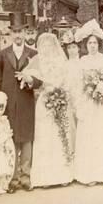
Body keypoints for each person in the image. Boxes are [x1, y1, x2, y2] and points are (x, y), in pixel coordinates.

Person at [0, 12, 40, 193]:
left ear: (25, 32)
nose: (18, 35)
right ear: (10, 34)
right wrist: (1, 100)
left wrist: (30, 81)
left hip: (27, 102)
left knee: (27, 139)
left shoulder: (33, 54)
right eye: (15, 32)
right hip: (10, 103)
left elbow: (40, 79)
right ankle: (12, 179)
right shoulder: (2, 55)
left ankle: (25, 177)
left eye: (21, 31)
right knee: (10, 140)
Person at [23, 33, 74, 188]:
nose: (46, 48)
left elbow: (67, 79)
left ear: (54, 46)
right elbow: (27, 74)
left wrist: (60, 91)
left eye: (49, 45)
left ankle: (63, 175)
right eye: (43, 45)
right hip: (45, 100)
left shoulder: (60, 61)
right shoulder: (37, 60)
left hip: (59, 97)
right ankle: (45, 177)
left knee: (60, 135)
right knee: (45, 135)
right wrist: (34, 81)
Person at [73, 19, 103, 186]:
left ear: (99, 44)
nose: (92, 46)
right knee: (90, 136)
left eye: (95, 43)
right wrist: (89, 92)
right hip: (89, 103)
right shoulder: (83, 61)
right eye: (90, 43)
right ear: (86, 45)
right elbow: (79, 83)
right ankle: (89, 174)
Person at [60, 29, 81, 155]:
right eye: (69, 48)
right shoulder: (65, 65)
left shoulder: (83, 63)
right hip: (68, 98)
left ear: (78, 48)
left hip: (81, 97)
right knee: (70, 126)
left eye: (74, 47)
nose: (72, 50)